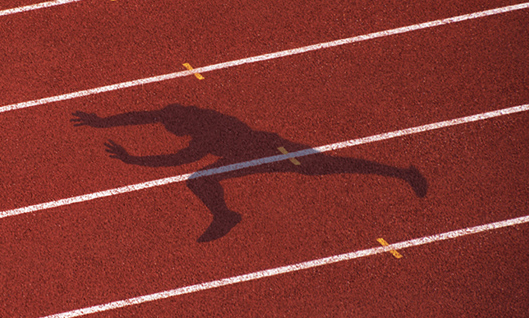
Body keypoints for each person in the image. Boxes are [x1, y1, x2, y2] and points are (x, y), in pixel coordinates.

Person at [73, 104, 427, 243]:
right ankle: (225, 215)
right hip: (248, 157)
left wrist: (135, 161)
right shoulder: (182, 116)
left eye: (172, 128)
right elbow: (146, 116)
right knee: (201, 180)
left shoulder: (207, 133)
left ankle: (402, 174)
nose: (170, 129)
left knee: (329, 166)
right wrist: (104, 122)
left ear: (182, 123)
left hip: (275, 151)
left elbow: (177, 159)